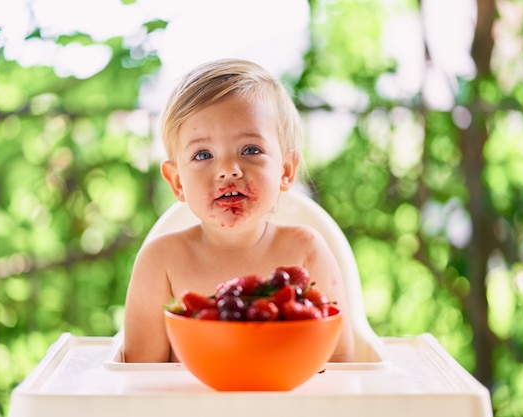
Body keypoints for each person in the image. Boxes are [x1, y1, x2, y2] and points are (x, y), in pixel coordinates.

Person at [123, 58, 354, 362]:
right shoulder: (160, 262)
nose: (228, 170)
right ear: (177, 181)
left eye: (250, 150)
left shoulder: (306, 251)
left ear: (286, 169)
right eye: (203, 154)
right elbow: (141, 378)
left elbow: (339, 365)